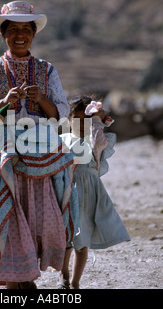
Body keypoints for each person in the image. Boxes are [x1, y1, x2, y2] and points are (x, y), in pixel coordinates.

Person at [0, 1, 79, 289]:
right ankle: (18, 278)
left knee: (38, 215)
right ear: (3, 34)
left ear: (33, 35)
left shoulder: (46, 70)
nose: (19, 35)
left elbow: (61, 112)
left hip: (41, 155)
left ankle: (25, 275)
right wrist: (3, 102)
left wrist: (41, 99)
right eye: (12, 29)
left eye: (25, 29)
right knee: (7, 211)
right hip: (3, 153)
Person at [58, 95, 130, 289]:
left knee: (82, 242)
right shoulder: (62, 140)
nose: (83, 124)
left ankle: (75, 282)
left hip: (89, 195)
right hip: (66, 193)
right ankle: (63, 275)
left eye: (87, 120)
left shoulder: (95, 142)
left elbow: (102, 132)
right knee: (66, 239)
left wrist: (98, 116)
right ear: (68, 120)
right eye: (79, 119)